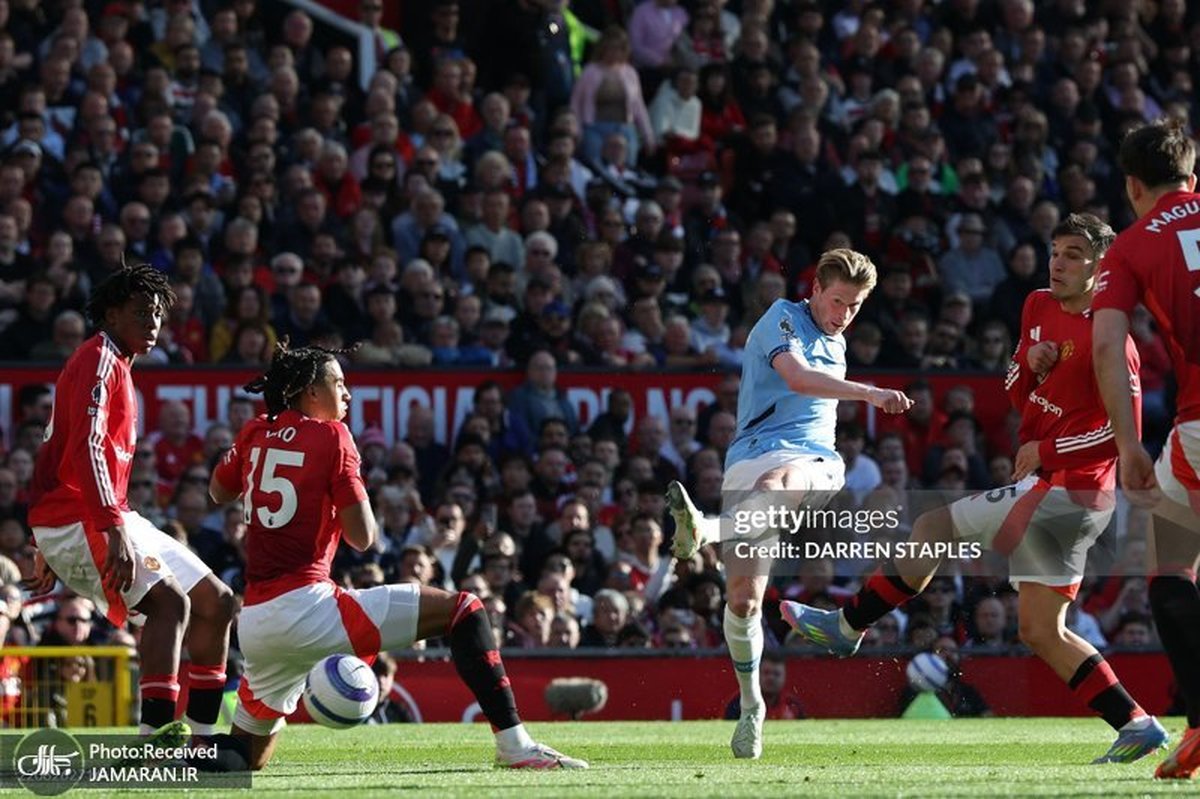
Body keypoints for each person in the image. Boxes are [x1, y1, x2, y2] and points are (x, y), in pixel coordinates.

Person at [785, 214, 1169, 764]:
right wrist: (1027, 365)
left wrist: (1048, 451)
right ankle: (1136, 723)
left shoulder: (1113, 339)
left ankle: (848, 626)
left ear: (1100, 266)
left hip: (1071, 491)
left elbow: (1120, 433)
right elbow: (1013, 388)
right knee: (1039, 629)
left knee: (936, 529)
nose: (1058, 263)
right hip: (1048, 485)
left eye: (1074, 254)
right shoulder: (1037, 305)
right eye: (1055, 251)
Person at [208, 340, 586, 771]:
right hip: (309, 607)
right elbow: (363, 537)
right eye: (338, 383)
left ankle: (162, 759)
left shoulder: (255, 431)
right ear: (311, 392)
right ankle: (515, 745)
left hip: (257, 622)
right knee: (464, 610)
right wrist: (348, 479)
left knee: (243, 758)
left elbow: (218, 491)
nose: (347, 393)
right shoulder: (333, 435)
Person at [666, 248, 912, 758]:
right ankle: (752, 706)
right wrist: (871, 393)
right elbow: (797, 378)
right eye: (838, 301)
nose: (844, 314)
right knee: (744, 601)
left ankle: (707, 529)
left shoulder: (837, 341)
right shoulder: (782, 318)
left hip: (813, 460)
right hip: (748, 457)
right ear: (816, 289)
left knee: (780, 480)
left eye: (855, 306)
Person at [26, 265, 236, 741]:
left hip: (98, 514)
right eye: (141, 312)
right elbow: (86, 448)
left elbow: (55, 449)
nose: (153, 322)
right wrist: (107, 528)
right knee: (169, 604)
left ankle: (203, 740)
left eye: (157, 314)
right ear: (111, 315)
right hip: (82, 517)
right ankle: (152, 740)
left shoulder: (116, 364)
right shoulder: (99, 359)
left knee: (217, 602)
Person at [1091, 117, 1200, 780]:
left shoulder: (1131, 246)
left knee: (1169, 569)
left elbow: (1108, 346)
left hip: (1197, 426)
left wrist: (1128, 444)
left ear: (1133, 186)